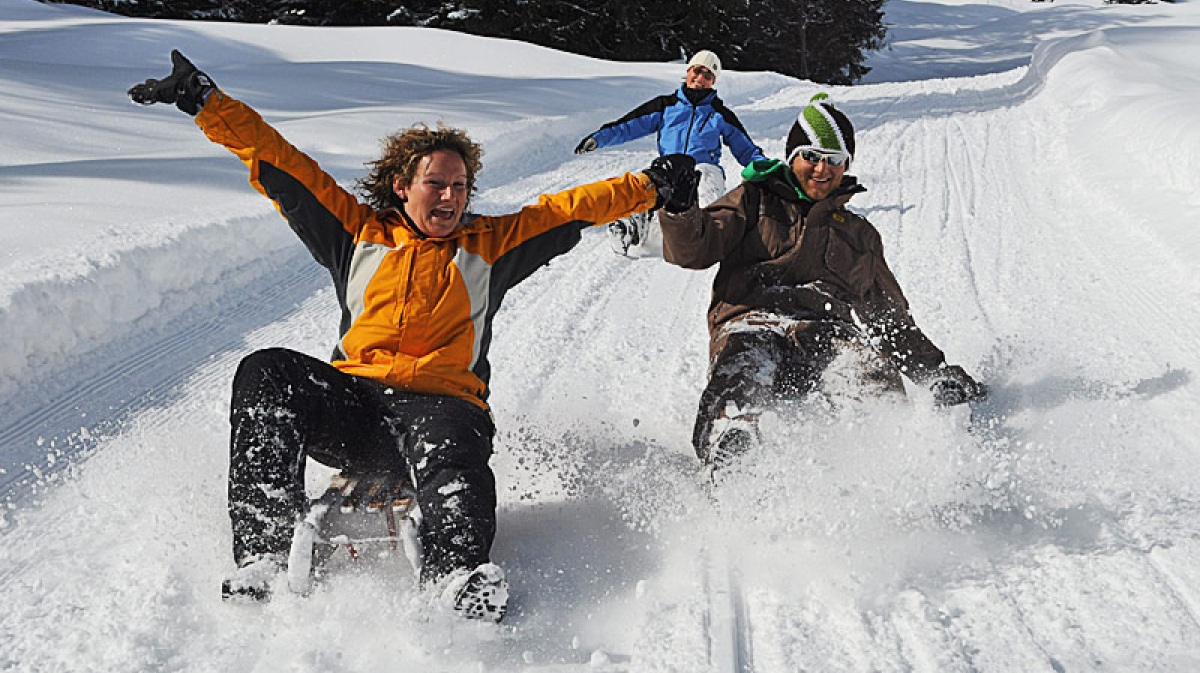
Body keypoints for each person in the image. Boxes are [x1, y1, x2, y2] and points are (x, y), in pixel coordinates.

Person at [127, 51, 698, 619]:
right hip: (355, 412)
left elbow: (571, 208)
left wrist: (651, 183)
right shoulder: (357, 234)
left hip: (443, 409)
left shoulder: (491, 246)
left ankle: (456, 576)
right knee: (266, 370)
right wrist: (206, 102)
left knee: (452, 445)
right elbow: (283, 165)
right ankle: (263, 556)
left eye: (459, 186)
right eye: (435, 184)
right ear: (402, 186)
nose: (449, 197)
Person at [657, 93, 986, 468]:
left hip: (825, 332)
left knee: (867, 370)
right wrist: (681, 212)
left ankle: (887, 470)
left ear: (846, 166)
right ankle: (732, 451)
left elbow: (888, 317)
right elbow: (694, 250)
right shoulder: (753, 200)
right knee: (745, 366)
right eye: (810, 156)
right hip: (751, 321)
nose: (821, 169)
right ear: (792, 156)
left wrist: (935, 374)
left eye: (834, 161)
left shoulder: (858, 235)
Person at [574, 50, 766, 258]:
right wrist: (599, 138)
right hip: (669, 167)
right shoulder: (665, 106)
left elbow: (745, 148)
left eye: (708, 75)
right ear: (689, 71)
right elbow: (629, 125)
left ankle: (707, 233)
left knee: (705, 189)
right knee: (647, 186)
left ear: (713, 81)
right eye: (697, 71)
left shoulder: (719, 114)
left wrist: (766, 169)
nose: (700, 79)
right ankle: (631, 227)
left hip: (704, 168)